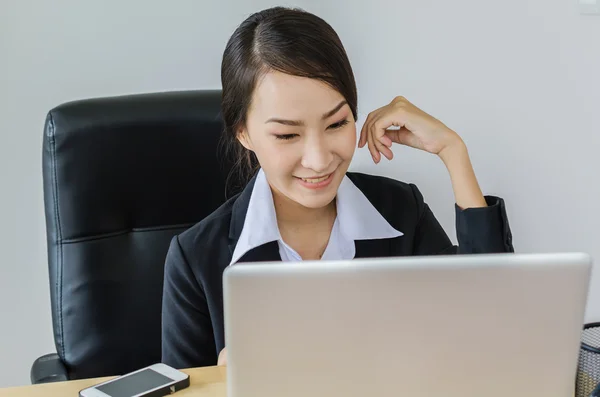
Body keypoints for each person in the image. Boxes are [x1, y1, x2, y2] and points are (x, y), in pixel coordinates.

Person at [161, 6, 514, 369]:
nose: (318, 159)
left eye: (336, 123)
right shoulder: (195, 262)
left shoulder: (401, 211)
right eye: (287, 134)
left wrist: (452, 151)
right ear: (244, 133)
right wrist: (221, 388)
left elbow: (496, 322)